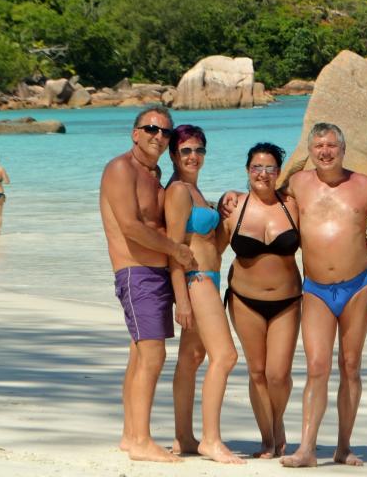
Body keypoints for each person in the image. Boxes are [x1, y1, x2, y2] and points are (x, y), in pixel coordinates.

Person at [280, 122, 367, 468]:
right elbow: (267, 201)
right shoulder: (297, 184)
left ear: (343, 149)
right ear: (310, 151)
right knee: (317, 366)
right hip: (316, 289)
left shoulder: (365, 186)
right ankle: (306, 448)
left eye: (331, 145)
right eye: (319, 145)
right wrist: (232, 201)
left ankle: (343, 446)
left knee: (351, 366)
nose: (325, 151)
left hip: (357, 286)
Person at [100, 105, 196, 464]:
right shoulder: (120, 169)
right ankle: (142, 439)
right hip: (136, 272)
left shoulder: (154, 176)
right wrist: (177, 251)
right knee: (153, 355)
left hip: (154, 274)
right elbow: (130, 226)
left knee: (139, 355)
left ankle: (130, 435)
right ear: (135, 133)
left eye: (165, 132)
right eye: (152, 129)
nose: (159, 136)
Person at [166, 125, 244, 464]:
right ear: (173, 155)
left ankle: (184, 436)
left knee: (190, 360)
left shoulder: (196, 191)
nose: (193, 156)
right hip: (195, 281)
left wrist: (225, 213)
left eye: (198, 150)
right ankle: (210, 439)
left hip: (209, 278)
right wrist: (181, 298)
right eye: (185, 151)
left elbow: (214, 246)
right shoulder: (179, 192)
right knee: (225, 357)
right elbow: (174, 249)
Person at [222, 143, 302, 459]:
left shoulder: (293, 206)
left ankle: (277, 425)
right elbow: (209, 249)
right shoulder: (232, 207)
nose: (263, 174)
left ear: (279, 172)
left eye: (270, 168)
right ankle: (268, 440)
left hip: (288, 301)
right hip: (244, 300)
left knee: (278, 374)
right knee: (257, 372)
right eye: (257, 167)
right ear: (247, 170)